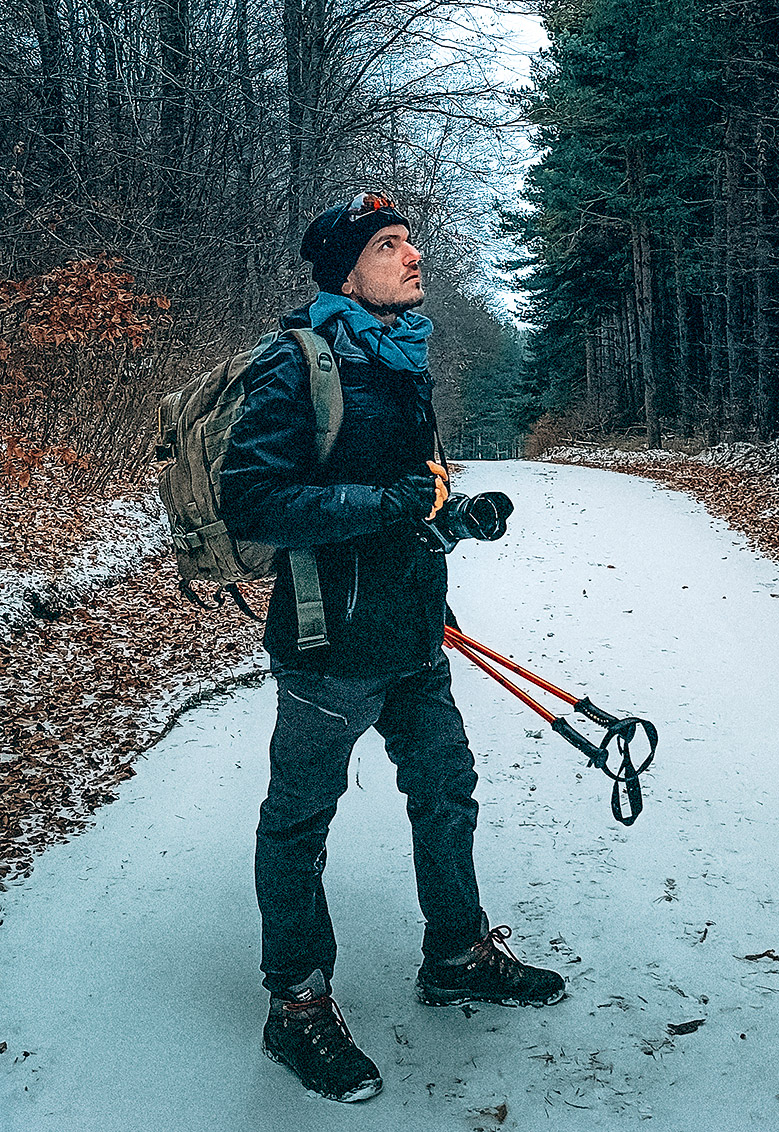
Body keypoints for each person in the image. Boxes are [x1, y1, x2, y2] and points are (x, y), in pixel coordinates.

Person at [219, 191, 564, 1104]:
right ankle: (296, 1007)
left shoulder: (402, 359)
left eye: (412, 241)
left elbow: (410, 493)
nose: (412, 256)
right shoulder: (295, 365)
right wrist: (388, 506)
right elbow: (253, 503)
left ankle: (455, 955)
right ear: (344, 269)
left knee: (446, 792)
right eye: (388, 244)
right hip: (328, 646)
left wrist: (456, 518)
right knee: (299, 823)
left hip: (414, 636)